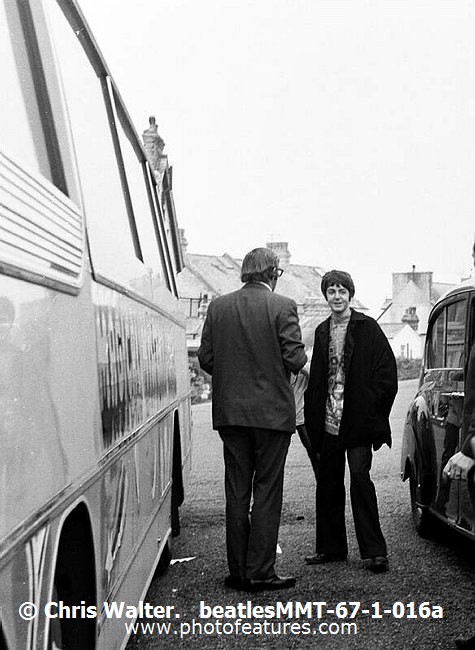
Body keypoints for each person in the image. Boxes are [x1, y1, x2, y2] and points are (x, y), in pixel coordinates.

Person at [198, 247, 307, 592]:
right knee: (267, 491)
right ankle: (261, 571)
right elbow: (294, 358)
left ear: (245, 273)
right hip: (272, 415)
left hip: (230, 414)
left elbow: (205, 358)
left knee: (236, 491)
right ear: (273, 273)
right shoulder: (283, 306)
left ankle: (238, 572)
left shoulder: (218, 306)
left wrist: (232, 378)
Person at [304, 269, 398, 573]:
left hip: (357, 422)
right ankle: (331, 549)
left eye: (341, 291)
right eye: (331, 291)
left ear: (350, 294)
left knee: (360, 479)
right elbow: (316, 380)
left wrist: (371, 409)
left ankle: (374, 551)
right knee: (328, 482)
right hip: (329, 420)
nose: (336, 296)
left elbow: (387, 375)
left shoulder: (367, 327)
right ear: (326, 296)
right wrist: (313, 419)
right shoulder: (321, 331)